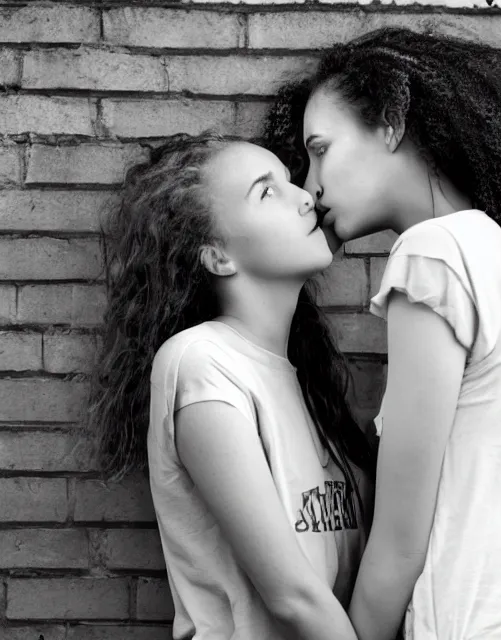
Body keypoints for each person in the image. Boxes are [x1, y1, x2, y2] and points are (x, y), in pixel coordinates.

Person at [264, 26, 501, 640]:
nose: (311, 184)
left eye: (320, 148)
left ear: (391, 122)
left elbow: (400, 543)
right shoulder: (491, 247)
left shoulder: (434, 253)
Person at [87, 131, 375, 640]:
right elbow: (293, 598)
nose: (306, 196)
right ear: (218, 257)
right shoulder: (202, 365)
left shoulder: (307, 383)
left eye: (288, 182)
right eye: (267, 191)